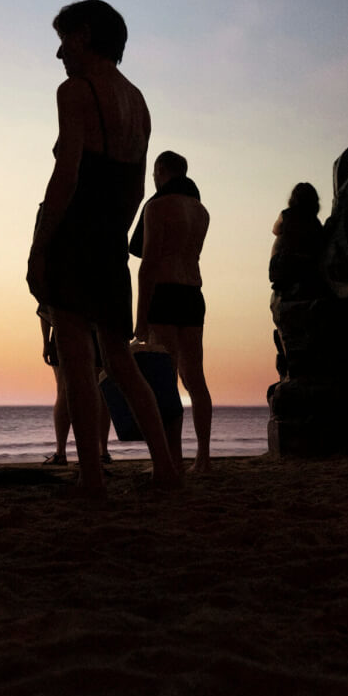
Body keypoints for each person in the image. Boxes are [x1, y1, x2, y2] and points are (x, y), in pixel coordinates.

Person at [26, 0, 180, 496]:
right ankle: (165, 468)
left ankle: (91, 478)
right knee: (120, 363)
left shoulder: (75, 91)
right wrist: (111, 235)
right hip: (110, 239)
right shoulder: (139, 103)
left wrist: (40, 246)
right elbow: (135, 190)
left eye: (64, 40)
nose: (59, 54)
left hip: (74, 235)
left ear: (85, 35)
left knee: (76, 363)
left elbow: (66, 174)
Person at [131, 150, 213, 473]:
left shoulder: (157, 207)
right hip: (192, 293)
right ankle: (203, 457)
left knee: (164, 381)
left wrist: (140, 318)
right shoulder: (201, 211)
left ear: (161, 170)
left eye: (154, 172)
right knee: (195, 378)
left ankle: (172, 459)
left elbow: (149, 264)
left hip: (164, 293)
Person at [37, 307, 111, 466]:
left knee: (64, 391)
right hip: (97, 331)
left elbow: (45, 309)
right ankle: (102, 452)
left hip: (66, 330)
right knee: (99, 391)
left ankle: (61, 452)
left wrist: (46, 343)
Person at [269, 182, 325, 296]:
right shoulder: (315, 222)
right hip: (308, 268)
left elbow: (275, 231)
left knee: (280, 235)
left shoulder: (286, 214)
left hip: (285, 267)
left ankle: (277, 275)